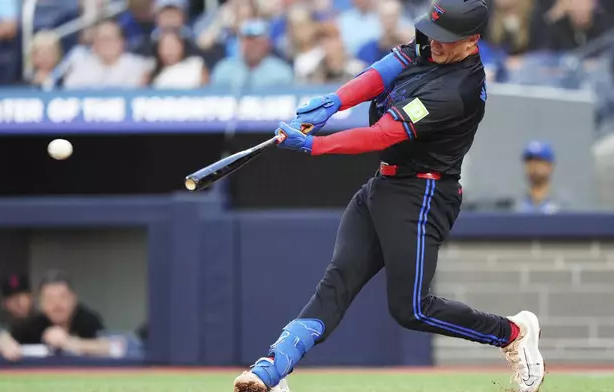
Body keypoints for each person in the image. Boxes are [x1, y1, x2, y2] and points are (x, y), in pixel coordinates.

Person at [233, 2, 545, 392]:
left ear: (472, 42)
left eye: (446, 40)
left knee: (411, 309)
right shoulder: (431, 44)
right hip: (384, 185)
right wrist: (335, 101)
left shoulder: (456, 92)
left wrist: (314, 145)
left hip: (424, 194)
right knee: (336, 283)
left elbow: (382, 134)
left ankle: (514, 332)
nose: (434, 45)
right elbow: (385, 70)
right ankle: (272, 369)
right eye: (432, 34)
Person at [0, 270, 112, 361]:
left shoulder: (87, 319)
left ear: (73, 298)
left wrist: (68, 342)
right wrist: (5, 345)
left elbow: (106, 346)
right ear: (41, 303)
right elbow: (0, 340)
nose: (57, 304)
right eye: (49, 299)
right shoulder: (34, 322)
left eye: (62, 297)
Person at [514, 140, 562, 214]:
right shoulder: (516, 205)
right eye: (529, 161)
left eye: (538, 160)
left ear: (550, 166)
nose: (533, 166)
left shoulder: (561, 204)